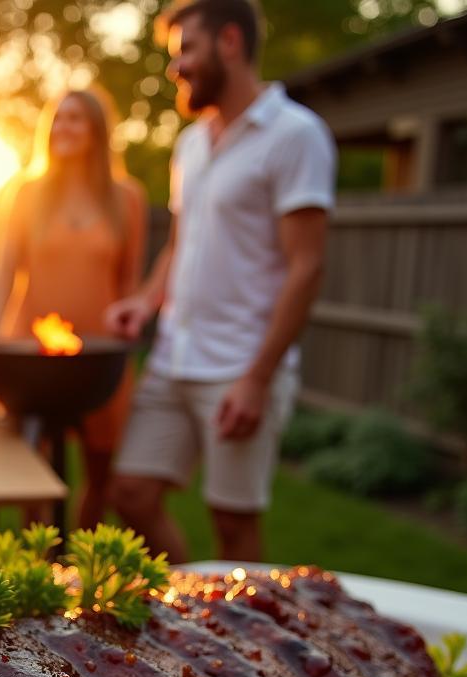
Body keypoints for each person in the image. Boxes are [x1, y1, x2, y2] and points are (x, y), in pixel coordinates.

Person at [105, 0, 335, 563]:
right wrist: (146, 298)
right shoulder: (191, 144)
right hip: (173, 357)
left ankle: (244, 635)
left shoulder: (294, 134)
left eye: (187, 50)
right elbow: (183, 243)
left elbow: (307, 266)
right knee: (130, 496)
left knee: (233, 526)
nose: (175, 68)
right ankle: (193, 611)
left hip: (240, 366)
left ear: (229, 42)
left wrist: (258, 378)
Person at [0, 87, 148, 528]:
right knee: (32, 473)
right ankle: (37, 569)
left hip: (100, 354)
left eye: (76, 118)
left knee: (101, 474)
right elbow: (3, 271)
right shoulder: (27, 193)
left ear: (97, 131)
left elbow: (129, 281)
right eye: (58, 118)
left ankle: (79, 570)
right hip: (32, 349)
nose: (65, 127)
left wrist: (124, 342)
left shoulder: (127, 198)